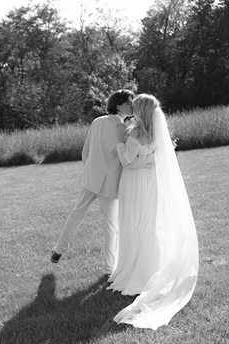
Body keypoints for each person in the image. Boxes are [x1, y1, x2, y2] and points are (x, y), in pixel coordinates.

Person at [107, 94, 199, 330]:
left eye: (135, 107)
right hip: (150, 183)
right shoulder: (158, 133)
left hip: (134, 183)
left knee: (133, 223)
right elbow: (156, 159)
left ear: (141, 111)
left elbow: (127, 161)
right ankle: (151, 267)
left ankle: (134, 269)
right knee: (149, 223)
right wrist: (146, 160)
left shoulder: (134, 133)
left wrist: (119, 141)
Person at [50, 89, 153, 275]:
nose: (132, 106)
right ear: (119, 104)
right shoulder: (125, 129)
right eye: (130, 102)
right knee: (110, 226)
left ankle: (58, 250)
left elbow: (85, 151)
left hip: (91, 178)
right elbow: (124, 158)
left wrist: (89, 169)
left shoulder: (97, 121)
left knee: (77, 214)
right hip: (110, 184)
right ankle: (108, 268)